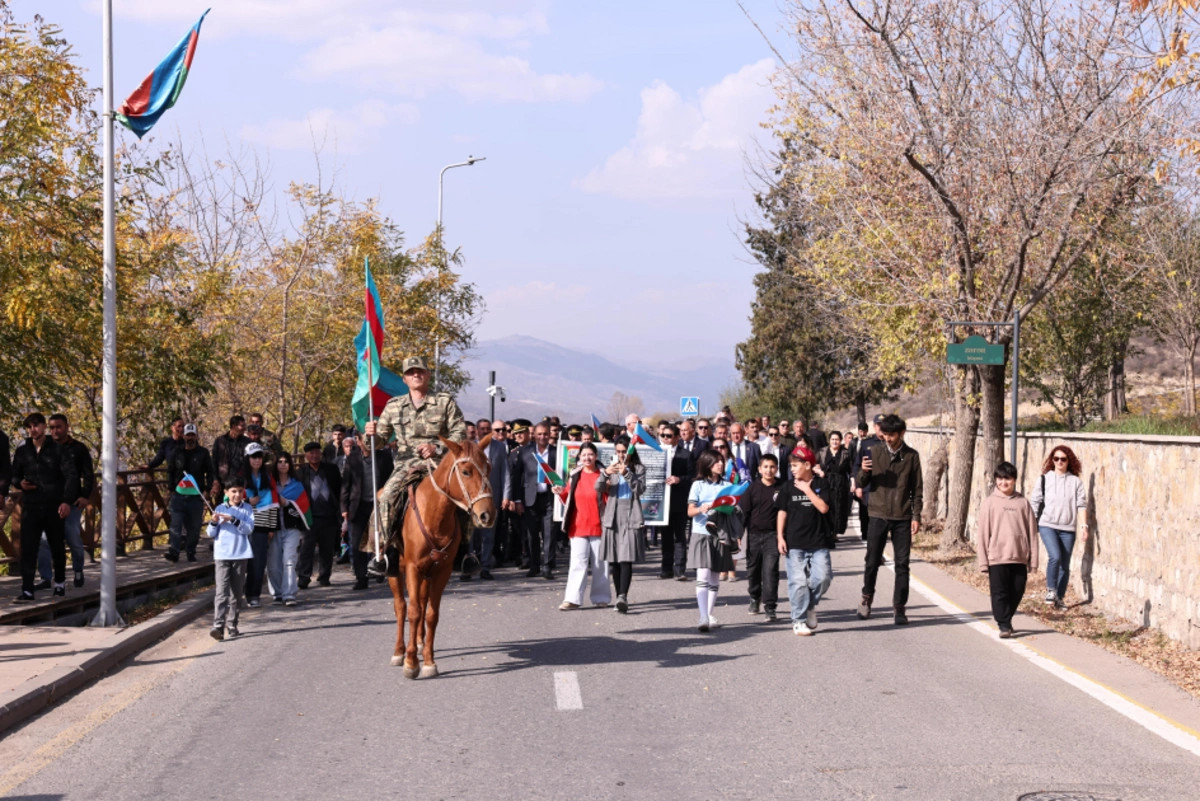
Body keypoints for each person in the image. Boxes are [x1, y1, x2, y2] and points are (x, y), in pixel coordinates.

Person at [363, 355, 467, 577]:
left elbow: (460, 433)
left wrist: (437, 446)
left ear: (427, 375)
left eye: (420, 371)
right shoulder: (394, 406)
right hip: (406, 465)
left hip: (440, 466)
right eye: (411, 372)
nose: (416, 375)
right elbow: (380, 439)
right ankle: (383, 552)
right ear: (405, 379)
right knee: (386, 496)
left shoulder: (444, 401)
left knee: (466, 495)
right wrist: (369, 435)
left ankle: (466, 551)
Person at [856, 413, 923, 625]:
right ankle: (866, 599)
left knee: (902, 564)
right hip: (877, 514)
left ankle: (899, 608)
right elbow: (861, 482)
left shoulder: (912, 456)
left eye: (892, 435)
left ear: (901, 433)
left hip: (902, 516)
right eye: (885, 434)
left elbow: (917, 489)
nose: (888, 438)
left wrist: (916, 515)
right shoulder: (874, 452)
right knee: (872, 561)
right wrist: (863, 473)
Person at [12, 413, 77, 602]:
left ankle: (59, 584)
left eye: (36, 425)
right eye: (29, 426)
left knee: (57, 546)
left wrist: (66, 501)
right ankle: (27, 590)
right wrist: (20, 484)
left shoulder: (58, 450)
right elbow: (15, 476)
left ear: (43, 427)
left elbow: (71, 476)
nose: (33, 429)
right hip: (31, 506)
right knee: (29, 548)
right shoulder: (23, 452)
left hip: (54, 506)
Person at [978, 461, 1040, 637]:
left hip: (1019, 557)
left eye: (1008, 479)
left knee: (1017, 591)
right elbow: (982, 534)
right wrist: (983, 562)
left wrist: (1033, 561)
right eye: (1000, 478)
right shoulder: (989, 503)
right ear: (995, 480)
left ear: (1014, 480)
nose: (1003, 482)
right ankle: (1004, 624)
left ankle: (1006, 618)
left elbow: (1032, 534)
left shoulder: (1023, 503)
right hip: (997, 557)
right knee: (999, 593)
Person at [777, 446, 833, 636]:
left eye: (795, 465)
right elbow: (782, 512)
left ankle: (809, 605)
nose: (792, 469)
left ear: (807, 465)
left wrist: (808, 490)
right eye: (791, 466)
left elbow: (824, 508)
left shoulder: (821, 484)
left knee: (823, 578)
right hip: (795, 543)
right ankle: (799, 620)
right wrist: (780, 537)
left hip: (818, 542)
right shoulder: (787, 487)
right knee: (798, 582)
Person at [1027, 445, 1088, 610]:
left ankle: (1059, 598)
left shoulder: (1075, 482)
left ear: (1069, 461)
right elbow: (1035, 502)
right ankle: (1051, 590)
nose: (1059, 462)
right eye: (1056, 459)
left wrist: (1084, 526)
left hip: (1068, 529)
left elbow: (1081, 505)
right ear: (1052, 461)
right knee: (1054, 556)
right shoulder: (1045, 479)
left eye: (1063, 459)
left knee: (1065, 565)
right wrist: (1031, 521)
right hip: (1047, 525)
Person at [37, 415, 93, 588]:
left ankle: (78, 569)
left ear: (67, 427)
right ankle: (46, 578)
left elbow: (88, 474)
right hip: (49, 502)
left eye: (58, 427)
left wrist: (85, 495)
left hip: (72, 502)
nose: (55, 431)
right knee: (44, 539)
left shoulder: (78, 448)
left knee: (71, 536)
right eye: (52, 427)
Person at [687, 448, 737, 632]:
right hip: (701, 533)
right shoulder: (697, 485)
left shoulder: (726, 485)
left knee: (715, 576)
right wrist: (702, 508)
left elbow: (733, 510)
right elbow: (690, 511)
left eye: (722, 461)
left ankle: (709, 614)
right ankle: (702, 616)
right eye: (716, 461)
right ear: (707, 464)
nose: (721, 464)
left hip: (720, 534)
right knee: (703, 574)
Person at [558, 442, 611, 610]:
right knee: (577, 562)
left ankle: (601, 598)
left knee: (600, 563)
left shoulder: (604, 474)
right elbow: (568, 495)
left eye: (590, 454)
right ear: (579, 457)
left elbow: (611, 498)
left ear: (596, 456)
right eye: (584, 455)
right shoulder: (574, 474)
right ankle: (572, 599)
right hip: (578, 524)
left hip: (599, 524)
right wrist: (560, 491)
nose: (587, 458)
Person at [599, 437, 646, 613]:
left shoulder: (639, 468)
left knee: (626, 558)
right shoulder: (610, 467)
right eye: (618, 451)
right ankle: (619, 595)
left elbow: (640, 489)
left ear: (630, 451)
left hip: (630, 514)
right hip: (613, 513)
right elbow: (598, 487)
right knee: (614, 560)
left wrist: (627, 473)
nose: (621, 454)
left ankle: (623, 596)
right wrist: (605, 474)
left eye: (624, 451)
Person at [207, 481, 254, 641]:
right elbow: (211, 532)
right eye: (233, 491)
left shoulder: (247, 509)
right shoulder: (219, 509)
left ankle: (232, 624)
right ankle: (217, 625)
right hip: (222, 555)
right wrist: (214, 521)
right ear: (226, 492)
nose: (237, 495)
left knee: (236, 592)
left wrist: (233, 519)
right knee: (221, 592)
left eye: (240, 491)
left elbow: (249, 528)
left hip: (240, 554)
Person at [513, 422, 560, 579]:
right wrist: (518, 499)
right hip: (530, 498)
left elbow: (562, 474)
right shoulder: (525, 452)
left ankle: (547, 566)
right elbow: (517, 476)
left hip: (549, 497)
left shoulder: (556, 452)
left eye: (545, 434)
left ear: (549, 435)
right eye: (539, 434)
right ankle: (534, 566)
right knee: (532, 534)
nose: (542, 437)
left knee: (549, 533)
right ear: (534, 435)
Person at [740, 453, 782, 622]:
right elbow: (743, 512)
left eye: (772, 467)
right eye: (765, 467)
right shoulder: (752, 488)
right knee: (753, 569)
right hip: (754, 535)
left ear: (777, 469)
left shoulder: (782, 488)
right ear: (759, 469)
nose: (769, 470)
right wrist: (739, 534)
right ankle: (754, 597)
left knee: (770, 571)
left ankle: (770, 606)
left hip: (773, 535)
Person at [465, 423, 510, 581]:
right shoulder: (469, 447)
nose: (485, 432)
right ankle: (469, 567)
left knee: (488, 535)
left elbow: (505, 473)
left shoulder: (499, 448)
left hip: (492, 498)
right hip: (472, 500)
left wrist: (506, 496)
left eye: (487, 429)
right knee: (470, 536)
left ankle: (485, 567)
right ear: (477, 431)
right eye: (482, 429)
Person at [164, 423, 214, 563]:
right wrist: (171, 488)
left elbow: (210, 472)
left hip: (196, 496)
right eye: (188, 435)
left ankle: (191, 551)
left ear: (196, 436)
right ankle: (174, 551)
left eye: (193, 435)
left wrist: (207, 488)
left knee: (194, 526)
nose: (190, 438)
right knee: (175, 524)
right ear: (183, 436)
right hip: (179, 495)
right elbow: (170, 470)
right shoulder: (176, 452)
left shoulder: (203, 453)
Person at [297, 442, 341, 589]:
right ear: (306, 456)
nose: (314, 455)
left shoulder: (331, 469)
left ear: (320, 454)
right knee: (306, 549)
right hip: (310, 517)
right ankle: (304, 577)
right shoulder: (301, 472)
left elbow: (339, 489)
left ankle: (324, 576)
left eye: (317, 452)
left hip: (329, 515)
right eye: (311, 453)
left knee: (327, 549)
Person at [241, 442, 275, 607]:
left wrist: (271, 527)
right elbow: (228, 499)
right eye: (253, 457)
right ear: (247, 458)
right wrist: (247, 500)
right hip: (241, 524)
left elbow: (272, 501)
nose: (257, 460)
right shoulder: (240, 477)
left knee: (258, 562)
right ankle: (236, 594)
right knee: (240, 562)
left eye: (259, 457)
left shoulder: (267, 477)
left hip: (261, 524)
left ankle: (253, 594)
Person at [269, 452, 305, 606]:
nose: (283, 464)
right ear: (275, 464)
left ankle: (289, 594)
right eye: (280, 461)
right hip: (273, 527)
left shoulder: (297, 484)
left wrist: (288, 503)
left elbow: (303, 506)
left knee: (289, 560)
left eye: (286, 461)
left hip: (292, 528)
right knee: (274, 563)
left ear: (290, 465)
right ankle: (277, 594)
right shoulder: (269, 484)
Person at [660, 422, 693, 580]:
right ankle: (666, 568)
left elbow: (693, 477)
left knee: (679, 536)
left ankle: (680, 569)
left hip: (679, 500)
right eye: (663, 435)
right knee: (665, 536)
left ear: (677, 438)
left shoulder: (685, 454)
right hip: (662, 501)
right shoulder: (657, 452)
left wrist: (679, 479)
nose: (665, 438)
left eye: (669, 436)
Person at [340, 437, 373, 590]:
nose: (366, 442)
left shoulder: (382, 456)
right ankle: (361, 576)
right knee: (357, 543)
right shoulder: (352, 459)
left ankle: (378, 569)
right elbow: (346, 484)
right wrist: (344, 508)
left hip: (378, 505)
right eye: (363, 439)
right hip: (358, 506)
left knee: (380, 540)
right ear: (359, 441)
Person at [819, 431, 853, 541]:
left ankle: (834, 532)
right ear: (829, 440)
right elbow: (813, 465)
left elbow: (851, 470)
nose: (834, 441)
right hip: (826, 482)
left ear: (841, 440)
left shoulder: (846, 453)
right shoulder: (822, 452)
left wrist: (853, 482)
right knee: (826, 506)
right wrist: (819, 472)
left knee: (839, 508)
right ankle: (826, 531)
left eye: (837, 439)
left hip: (841, 483)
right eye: (832, 439)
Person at [852, 418, 880, 541]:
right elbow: (857, 465)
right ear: (874, 427)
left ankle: (876, 540)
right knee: (865, 513)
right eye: (878, 425)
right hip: (868, 484)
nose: (881, 428)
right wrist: (858, 485)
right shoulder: (866, 443)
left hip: (884, 486)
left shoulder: (891, 443)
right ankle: (865, 534)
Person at [211, 415, 249, 496]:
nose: (244, 428)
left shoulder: (247, 442)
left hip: (241, 485)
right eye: (241, 426)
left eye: (244, 425)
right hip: (223, 484)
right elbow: (214, 462)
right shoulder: (220, 441)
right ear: (233, 426)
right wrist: (215, 480)